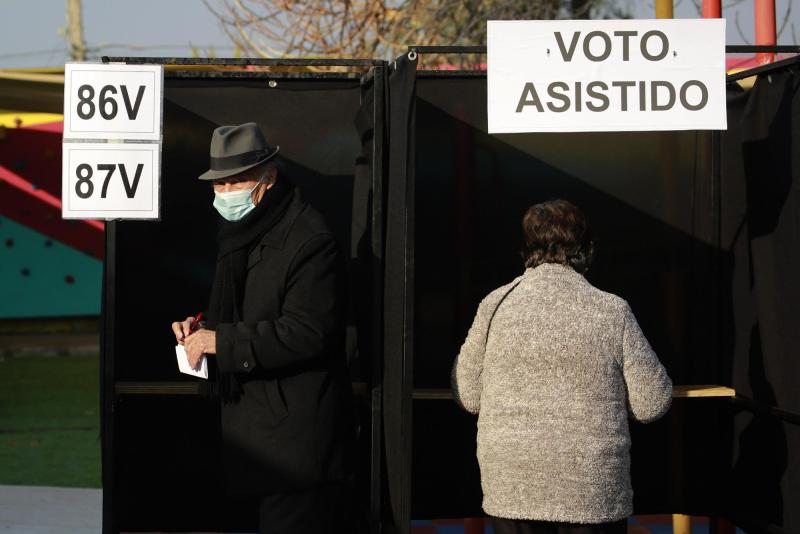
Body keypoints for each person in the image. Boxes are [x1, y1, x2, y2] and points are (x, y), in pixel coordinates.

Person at [171, 122, 354, 534]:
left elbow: (307, 332)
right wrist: (200, 327)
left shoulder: (309, 239)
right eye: (219, 184)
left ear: (268, 178)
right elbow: (247, 308)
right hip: (256, 440)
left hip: (295, 448)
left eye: (236, 181)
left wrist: (219, 340)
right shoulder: (242, 231)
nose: (225, 192)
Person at [451, 199, 672, 534]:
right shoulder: (612, 310)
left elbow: (468, 395)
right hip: (591, 491)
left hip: (513, 485)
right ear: (586, 250)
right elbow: (651, 403)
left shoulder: (494, 305)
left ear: (526, 249)